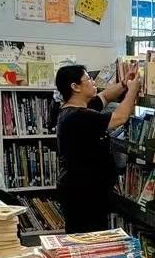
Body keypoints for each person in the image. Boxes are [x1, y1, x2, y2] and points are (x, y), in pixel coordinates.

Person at [54, 63, 140, 232]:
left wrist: (124, 84)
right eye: (88, 79)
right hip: (83, 192)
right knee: (88, 237)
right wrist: (133, 90)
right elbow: (120, 117)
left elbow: (105, 97)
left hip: (82, 187)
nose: (93, 82)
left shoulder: (76, 108)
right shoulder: (79, 117)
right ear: (75, 87)